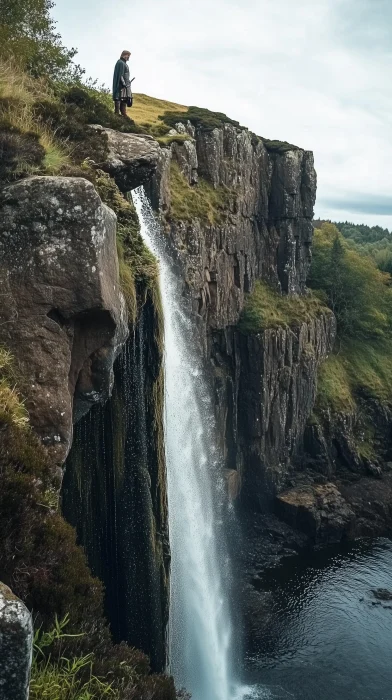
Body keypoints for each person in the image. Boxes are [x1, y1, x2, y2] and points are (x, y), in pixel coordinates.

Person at [113, 50, 132, 116]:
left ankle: (124, 115)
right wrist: (124, 84)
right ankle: (116, 115)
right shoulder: (120, 63)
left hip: (125, 85)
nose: (128, 57)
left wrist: (128, 82)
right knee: (118, 99)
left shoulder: (124, 63)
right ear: (124, 55)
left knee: (124, 100)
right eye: (128, 56)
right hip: (121, 86)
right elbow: (120, 75)